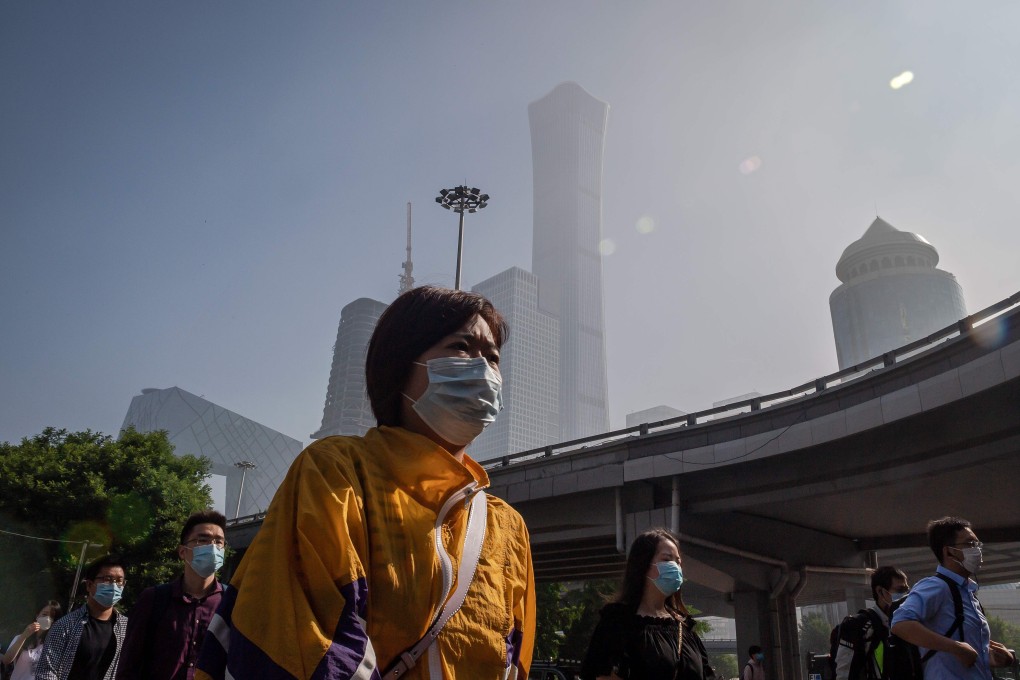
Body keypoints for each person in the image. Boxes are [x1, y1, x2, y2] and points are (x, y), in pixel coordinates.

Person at [196, 286, 536, 680]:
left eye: (493, 358)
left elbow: (513, 661)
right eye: (462, 347)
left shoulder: (507, 527)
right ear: (400, 365)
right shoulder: (337, 472)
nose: (484, 370)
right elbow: (304, 647)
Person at [890, 517, 1017, 680]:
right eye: (970, 544)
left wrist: (992, 657)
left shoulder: (967, 593)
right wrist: (956, 648)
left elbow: (964, 651)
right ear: (948, 551)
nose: (977, 550)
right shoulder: (937, 586)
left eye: (978, 544)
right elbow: (900, 623)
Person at [580, 528, 715, 680]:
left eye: (678, 562)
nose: (676, 567)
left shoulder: (684, 627)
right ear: (643, 564)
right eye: (666, 559)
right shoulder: (618, 622)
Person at [115, 510, 228, 680]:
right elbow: (130, 664)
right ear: (183, 551)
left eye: (219, 542)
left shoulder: (230, 603)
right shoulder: (154, 599)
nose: (212, 547)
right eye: (202, 540)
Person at [36, 555, 128, 680]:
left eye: (119, 581)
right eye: (108, 579)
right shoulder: (65, 625)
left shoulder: (127, 628)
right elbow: (46, 671)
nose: (114, 586)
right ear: (89, 585)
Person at [833, 566, 909, 680]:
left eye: (906, 590)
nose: (905, 595)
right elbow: (845, 673)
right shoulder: (859, 626)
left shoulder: (908, 623)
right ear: (880, 591)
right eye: (899, 590)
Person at [2, 601, 63, 680]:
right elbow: (7, 660)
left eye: (52, 617)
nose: (48, 619)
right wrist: (24, 636)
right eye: (44, 614)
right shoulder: (21, 638)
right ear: (37, 615)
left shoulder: (56, 643)